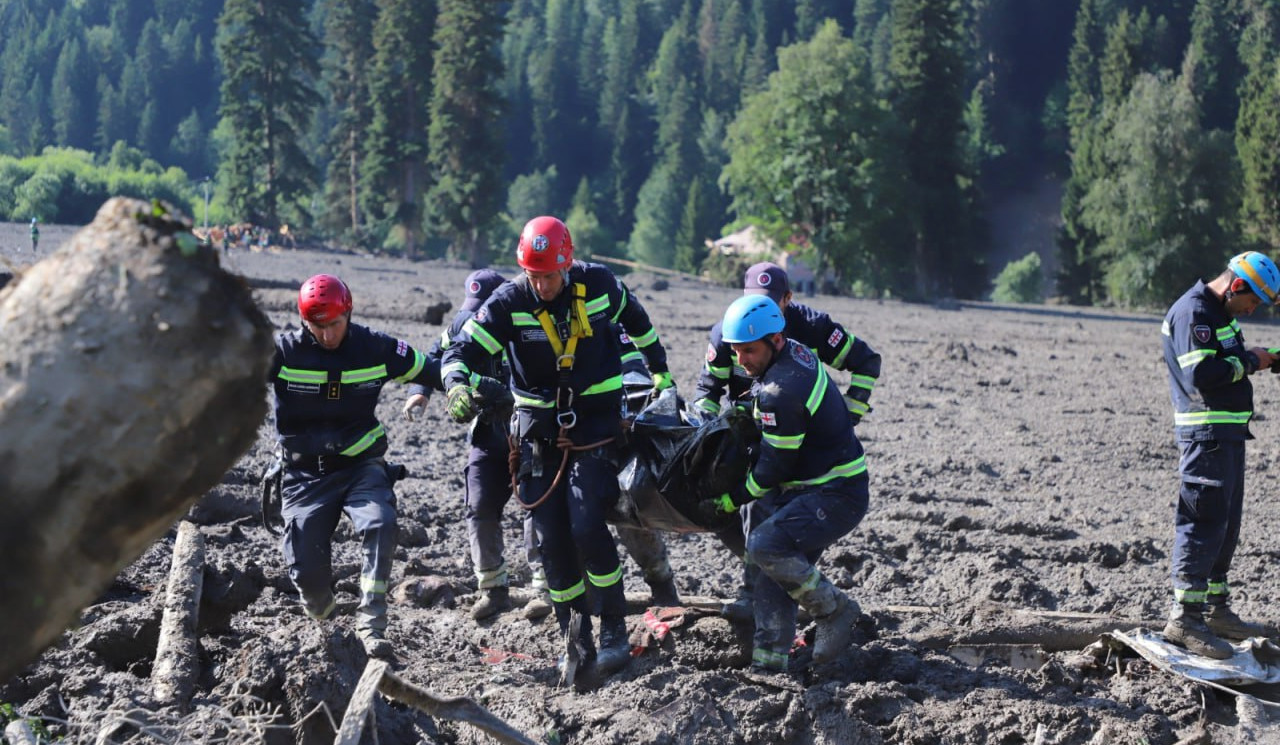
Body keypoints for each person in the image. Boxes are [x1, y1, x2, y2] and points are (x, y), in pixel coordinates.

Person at [441, 216, 674, 678]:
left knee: (587, 523)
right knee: (551, 537)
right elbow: (459, 352)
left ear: (566, 265)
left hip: (596, 423)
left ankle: (612, 628)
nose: (542, 285)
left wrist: (660, 370)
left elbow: (639, 321)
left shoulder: (601, 284)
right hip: (537, 430)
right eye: (534, 275)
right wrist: (454, 387)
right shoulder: (508, 301)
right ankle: (574, 634)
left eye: (549, 275)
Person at [269, 273, 441, 658]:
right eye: (318, 326)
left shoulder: (375, 347)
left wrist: (455, 388)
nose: (328, 335)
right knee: (307, 577)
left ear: (348, 314)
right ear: (304, 322)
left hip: (361, 465)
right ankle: (328, 626)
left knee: (380, 522)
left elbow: (429, 368)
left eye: (335, 324)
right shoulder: (281, 353)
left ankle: (371, 624)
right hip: (304, 475)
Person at [699, 294, 867, 674]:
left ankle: (835, 610)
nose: (741, 362)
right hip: (812, 483)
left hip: (836, 492)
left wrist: (730, 501)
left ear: (775, 341)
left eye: (749, 352)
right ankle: (769, 664)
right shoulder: (794, 352)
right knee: (772, 562)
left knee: (765, 543)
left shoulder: (780, 391)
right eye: (736, 352)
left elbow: (771, 469)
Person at [1160, 251, 1280, 658]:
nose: (1253, 310)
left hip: (1227, 433)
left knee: (1226, 525)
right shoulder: (1193, 313)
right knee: (1203, 521)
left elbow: (1227, 362)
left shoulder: (1221, 314)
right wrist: (1250, 361)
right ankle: (1185, 620)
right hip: (1205, 434)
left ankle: (1215, 609)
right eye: (1254, 302)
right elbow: (1202, 374)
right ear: (1237, 286)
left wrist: (1266, 359)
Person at [691, 261, 881, 425]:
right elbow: (709, 389)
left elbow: (866, 361)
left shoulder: (813, 326)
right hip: (746, 424)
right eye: (753, 302)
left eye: (769, 304)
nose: (760, 311)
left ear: (788, 298)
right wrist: (703, 426)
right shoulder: (727, 334)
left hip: (803, 427)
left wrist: (849, 414)